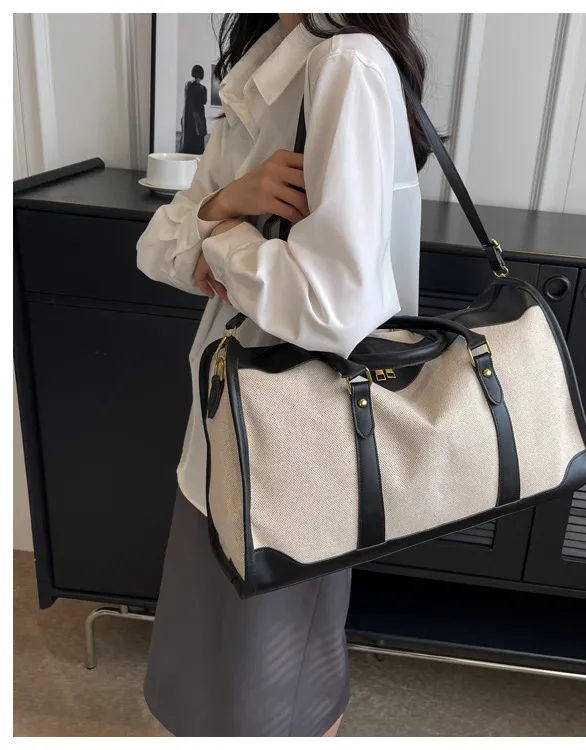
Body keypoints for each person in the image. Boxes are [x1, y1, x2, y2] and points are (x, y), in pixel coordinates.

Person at [136, 12, 431, 737]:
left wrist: (221, 237)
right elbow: (155, 244)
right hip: (229, 429)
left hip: (294, 444)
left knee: (273, 699)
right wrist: (226, 203)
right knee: (221, 683)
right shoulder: (270, 64)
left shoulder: (345, 64)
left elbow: (336, 307)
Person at [179, 64, 208, 154]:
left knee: (189, 140)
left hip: (189, 116)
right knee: (198, 141)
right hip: (199, 116)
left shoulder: (188, 86)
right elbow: (204, 101)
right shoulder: (203, 89)